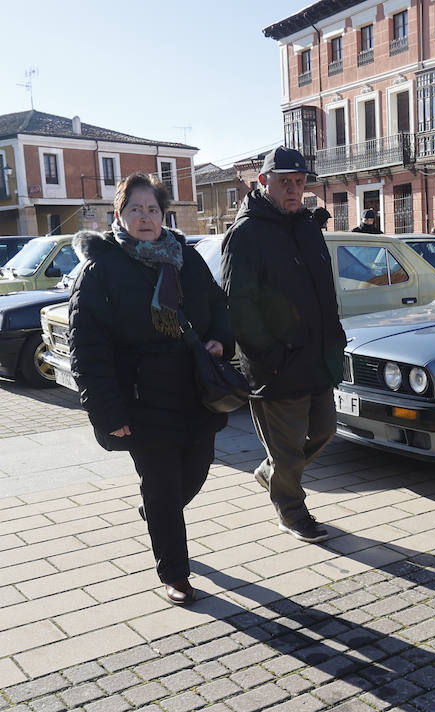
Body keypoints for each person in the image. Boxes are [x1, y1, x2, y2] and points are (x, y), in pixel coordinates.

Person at [68, 174, 234, 605]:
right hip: (141, 398)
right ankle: (175, 574)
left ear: (164, 215)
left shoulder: (185, 259)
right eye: (136, 209)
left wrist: (220, 338)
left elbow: (219, 307)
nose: (145, 217)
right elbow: (88, 348)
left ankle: (157, 515)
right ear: (119, 215)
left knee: (195, 471)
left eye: (153, 209)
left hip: (194, 391)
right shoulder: (101, 268)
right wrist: (108, 413)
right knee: (161, 486)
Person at [222, 146, 346, 544]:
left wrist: (333, 340)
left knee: (325, 430)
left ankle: (272, 472)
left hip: (316, 357)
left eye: (298, 182)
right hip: (276, 365)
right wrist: (270, 358)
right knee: (289, 450)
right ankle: (291, 512)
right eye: (284, 182)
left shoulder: (307, 226)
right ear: (263, 183)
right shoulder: (246, 234)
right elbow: (237, 306)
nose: (293, 190)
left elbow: (324, 291)